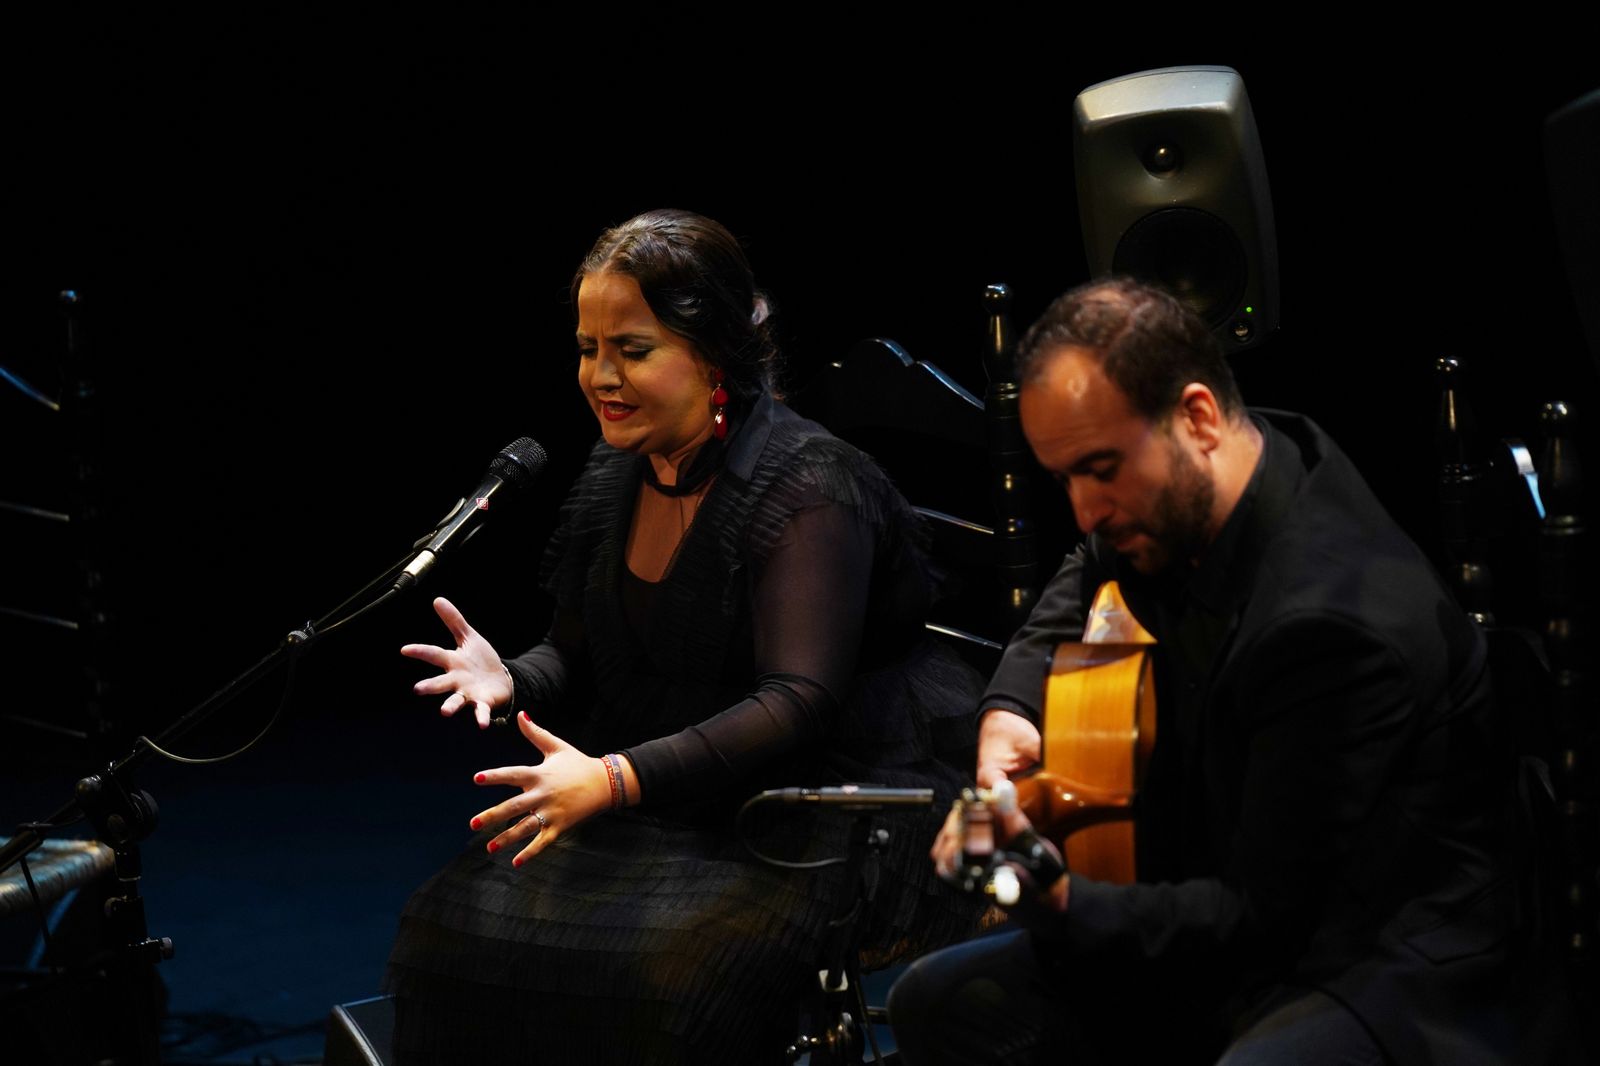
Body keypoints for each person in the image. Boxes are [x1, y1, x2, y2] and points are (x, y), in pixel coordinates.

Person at [384, 209, 984, 1064]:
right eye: (589, 348)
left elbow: (799, 703)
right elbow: (579, 651)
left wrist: (619, 778)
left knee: (671, 974)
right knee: (448, 933)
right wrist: (512, 678)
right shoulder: (617, 471)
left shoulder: (810, 488)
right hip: (669, 793)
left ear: (714, 361)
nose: (601, 376)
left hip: (808, 802)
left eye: (632, 349)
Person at [889, 278, 1532, 1064]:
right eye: (1064, 479)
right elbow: (1085, 569)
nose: (1086, 509)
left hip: (1371, 956)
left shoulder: (1329, 627)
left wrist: (1048, 893)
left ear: (1196, 415)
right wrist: (1009, 719)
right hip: (1213, 889)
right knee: (936, 1002)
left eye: (1099, 469)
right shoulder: (1220, 467)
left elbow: (1258, 923)